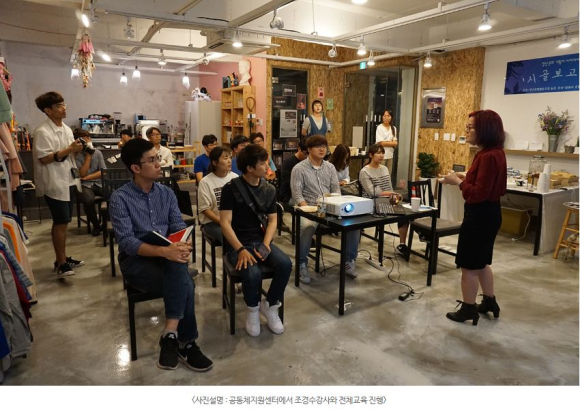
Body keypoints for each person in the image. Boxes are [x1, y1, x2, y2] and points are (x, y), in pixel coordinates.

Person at [109, 139, 213, 372]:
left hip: (167, 257)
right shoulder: (120, 198)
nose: (159, 163)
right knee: (185, 284)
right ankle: (186, 343)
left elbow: (177, 225)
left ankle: (171, 335)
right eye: (152, 160)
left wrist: (183, 242)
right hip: (136, 263)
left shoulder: (166, 193)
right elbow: (127, 242)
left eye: (158, 158)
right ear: (136, 168)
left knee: (177, 264)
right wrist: (165, 251)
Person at [441, 110, 506, 326]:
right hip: (491, 213)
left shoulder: (487, 156)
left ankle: (468, 309)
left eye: (470, 127)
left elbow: (477, 194)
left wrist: (458, 182)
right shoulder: (495, 152)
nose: (466, 131)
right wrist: (463, 177)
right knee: (482, 263)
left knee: (468, 266)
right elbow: (488, 185)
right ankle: (489, 301)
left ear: (485, 130)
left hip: (479, 217)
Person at [220, 144, 292, 337]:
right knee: (252, 274)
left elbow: (273, 220)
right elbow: (225, 223)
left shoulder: (269, 189)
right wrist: (240, 249)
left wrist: (266, 244)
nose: (267, 166)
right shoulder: (231, 189)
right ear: (250, 168)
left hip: (260, 241)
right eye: (263, 163)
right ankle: (252, 310)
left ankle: (270, 305)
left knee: (285, 264)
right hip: (237, 244)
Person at [291, 135, 360, 282]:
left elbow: (336, 190)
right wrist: (308, 210)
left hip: (329, 207)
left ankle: (349, 261)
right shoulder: (299, 169)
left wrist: (335, 206)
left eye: (324, 146)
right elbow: (297, 194)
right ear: (309, 149)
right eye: (318, 146)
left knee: (354, 225)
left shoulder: (330, 167)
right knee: (308, 226)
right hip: (310, 208)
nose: (322, 149)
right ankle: (301, 263)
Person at [33, 91, 84, 276]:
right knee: (60, 221)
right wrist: (70, 149)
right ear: (48, 110)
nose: (64, 108)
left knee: (65, 221)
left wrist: (78, 149)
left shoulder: (66, 129)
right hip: (54, 181)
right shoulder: (42, 131)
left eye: (64, 104)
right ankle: (61, 263)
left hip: (68, 179)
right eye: (59, 106)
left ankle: (62, 257)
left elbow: (69, 152)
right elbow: (44, 158)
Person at [359, 144, 409, 258]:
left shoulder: (385, 168)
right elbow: (372, 192)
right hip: (372, 203)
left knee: (405, 213)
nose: (381, 155)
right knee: (391, 210)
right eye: (378, 153)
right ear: (371, 155)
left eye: (382, 153)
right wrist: (390, 193)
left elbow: (389, 187)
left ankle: (402, 245)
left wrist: (393, 195)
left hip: (387, 200)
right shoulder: (365, 171)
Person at [197, 146, 237, 243]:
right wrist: (223, 222)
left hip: (233, 220)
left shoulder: (235, 178)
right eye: (225, 158)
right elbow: (205, 209)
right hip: (213, 222)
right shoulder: (205, 182)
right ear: (215, 162)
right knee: (230, 239)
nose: (229, 161)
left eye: (230, 158)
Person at [74, 129, 106, 237]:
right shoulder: (77, 155)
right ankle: (96, 226)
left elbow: (103, 171)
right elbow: (81, 173)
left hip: (99, 183)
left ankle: (108, 224)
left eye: (88, 138)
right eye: (85, 139)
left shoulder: (98, 152)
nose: (88, 140)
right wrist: (88, 156)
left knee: (114, 195)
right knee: (88, 200)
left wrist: (87, 177)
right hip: (84, 185)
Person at [279, 141, 308, 205]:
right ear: (299, 149)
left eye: (309, 154)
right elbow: (288, 183)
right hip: (289, 195)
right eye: (305, 153)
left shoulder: (308, 162)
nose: (307, 156)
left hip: (304, 194)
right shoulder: (288, 163)